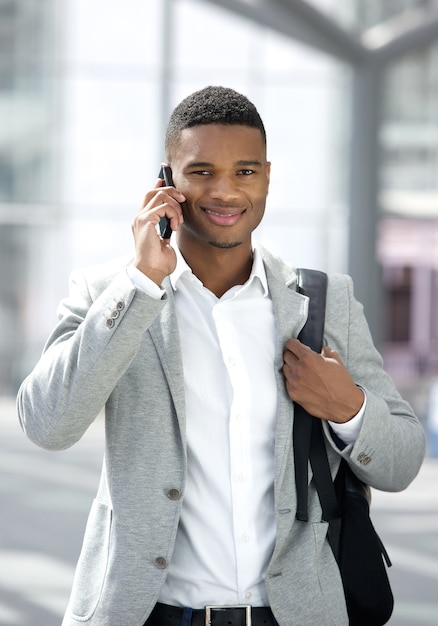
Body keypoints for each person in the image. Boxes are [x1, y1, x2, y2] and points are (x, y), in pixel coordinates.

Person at [17, 86, 425, 626]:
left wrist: (347, 405)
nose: (226, 191)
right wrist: (141, 283)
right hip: (146, 613)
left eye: (245, 172)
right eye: (202, 171)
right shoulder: (109, 295)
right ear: (167, 181)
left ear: (268, 177)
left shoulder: (325, 302)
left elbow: (401, 461)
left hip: (290, 614)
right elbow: (47, 424)